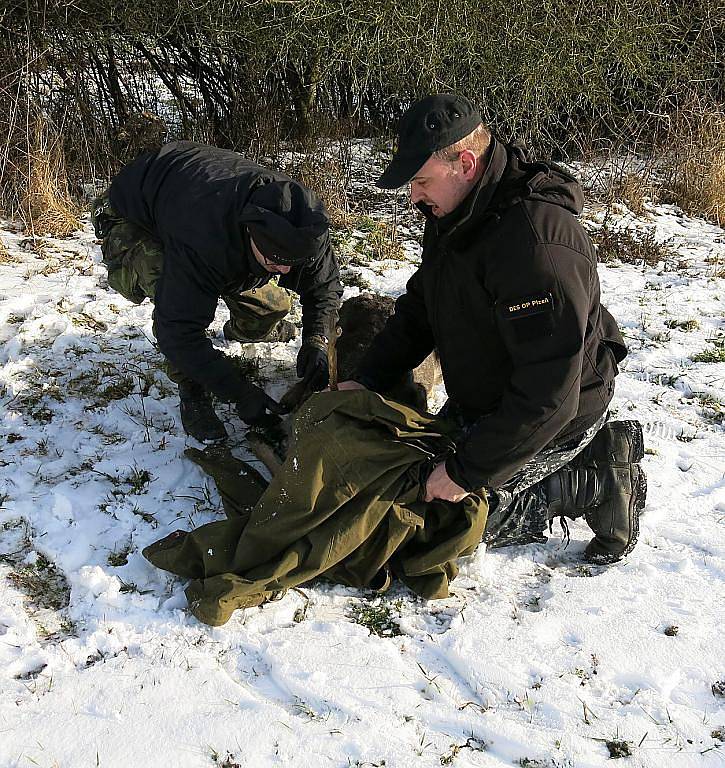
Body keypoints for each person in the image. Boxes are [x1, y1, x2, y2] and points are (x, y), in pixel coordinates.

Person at [337, 94, 646, 563]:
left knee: (437, 525)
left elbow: (549, 393)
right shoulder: (455, 212)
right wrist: (368, 377)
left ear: (464, 163)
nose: (413, 195)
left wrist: (464, 473)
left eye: (420, 181)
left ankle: (597, 481)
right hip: (490, 396)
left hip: (560, 409)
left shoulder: (535, 247)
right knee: (405, 482)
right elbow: (423, 305)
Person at [92, 141, 342, 442]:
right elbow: (177, 332)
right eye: (275, 262)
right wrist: (237, 392)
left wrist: (317, 338)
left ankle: (241, 329)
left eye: (292, 265)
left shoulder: (302, 222)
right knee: (167, 285)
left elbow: (324, 286)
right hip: (130, 217)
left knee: (272, 307)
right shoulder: (204, 236)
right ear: (251, 234)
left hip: (193, 195)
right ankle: (191, 387)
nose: (285, 272)